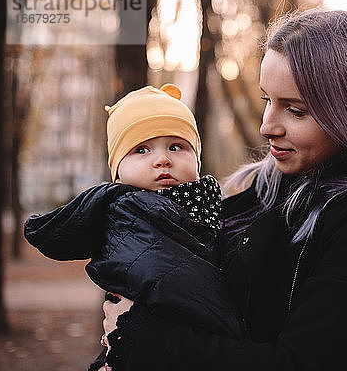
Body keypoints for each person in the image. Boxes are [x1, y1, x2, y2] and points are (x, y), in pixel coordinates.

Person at [100, 9, 347, 371]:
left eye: (295, 110)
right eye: (267, 100)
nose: (267, 126)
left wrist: (141, 339)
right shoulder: (264, 192)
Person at [23, 84, 246, 370]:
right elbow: (166, 277)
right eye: (142, 150)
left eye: (176, 147)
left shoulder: (210, 209)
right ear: (118, 172)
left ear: (197, 160)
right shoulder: (129, 213)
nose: (162, 159)